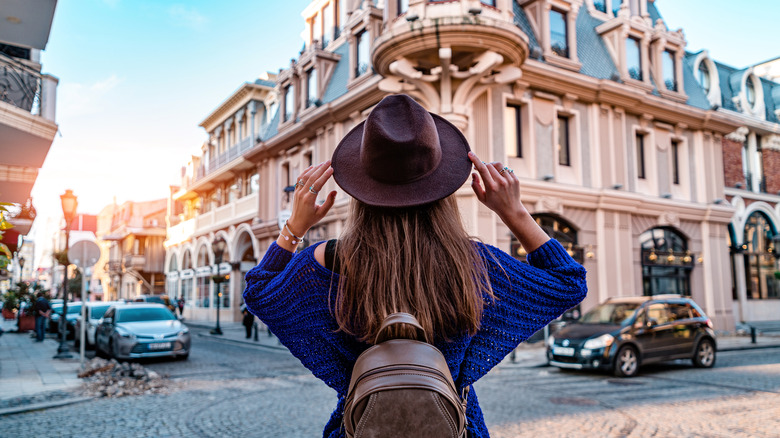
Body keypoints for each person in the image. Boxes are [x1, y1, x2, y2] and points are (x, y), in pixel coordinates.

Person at [243, 94, 588, 438]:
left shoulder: (323, 263)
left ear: (361, 188)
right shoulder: (475, 265)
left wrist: (294, 229)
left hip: (360, 428)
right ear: (443, 187)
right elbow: (569, 281)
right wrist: (514, 211)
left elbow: (258, 290)